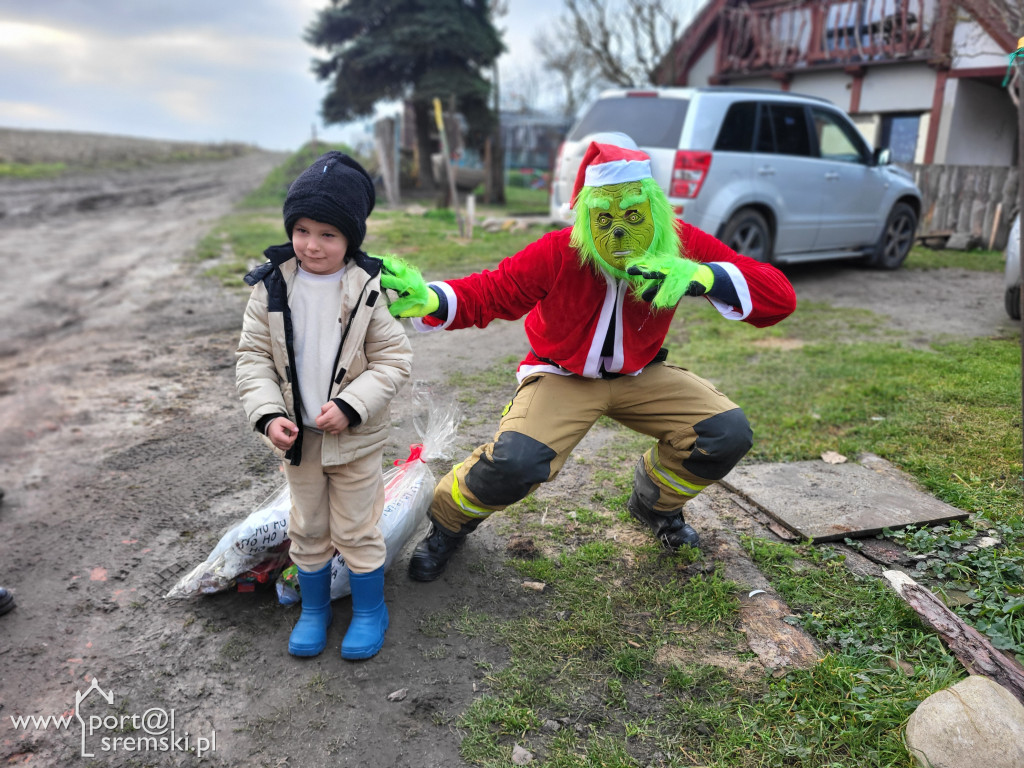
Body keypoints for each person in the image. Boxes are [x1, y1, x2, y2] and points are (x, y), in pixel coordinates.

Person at [382, 137, 796, 582]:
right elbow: (494, 291)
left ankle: (655, 503)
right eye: (605, 218)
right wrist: (430, 298)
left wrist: (702, 275)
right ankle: (448, 524)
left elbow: (779, 295)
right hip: (561, 375)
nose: (619, 231)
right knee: (517, 461)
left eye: (634, 215)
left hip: (641, 373)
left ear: (654, 210)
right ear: (586, 216)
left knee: (725, 432)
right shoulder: (562, 250)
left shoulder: (679, 243)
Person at [236, 151, 412, 659]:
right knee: (308, 527)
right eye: (304, 230)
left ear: (351, 238)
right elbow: (253, 359)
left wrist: (353, 405)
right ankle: (314, 610)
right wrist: (269, 415)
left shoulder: (368, 291)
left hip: (353, 442)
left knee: (357, 529)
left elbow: (394, 360)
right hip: (300, 444)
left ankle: (369, 610)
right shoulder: (270, 286)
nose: (313, 245)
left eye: (329, 234)